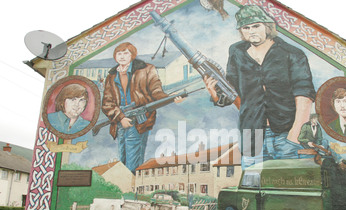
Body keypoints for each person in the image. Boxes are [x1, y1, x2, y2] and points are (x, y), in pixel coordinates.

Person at [205, 5, 316, 169]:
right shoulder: (237, 52)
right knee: (251, 188)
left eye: (256, 26)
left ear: (267, 26)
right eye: (246, 27)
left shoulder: (291, 53)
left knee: (289, 189)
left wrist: (294, 135)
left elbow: (304, 94)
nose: (251, 31)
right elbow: (233, 90)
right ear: (241, 31)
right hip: (252, 136)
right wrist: (215, 94)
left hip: (286, 132)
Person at [102, 42, 184, 174]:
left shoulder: (147, 69)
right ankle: (123, 188)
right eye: (119, 53)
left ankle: (131, 189)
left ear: (132, 55)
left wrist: (170, 98)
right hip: (119, 120)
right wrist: (121, 117)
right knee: (122, 156)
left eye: (126, 53)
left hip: (139, 120)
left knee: (133, 160)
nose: (122, 56)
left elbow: (156, 91)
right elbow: (107, 102)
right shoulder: (112, 76)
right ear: (115, 56)